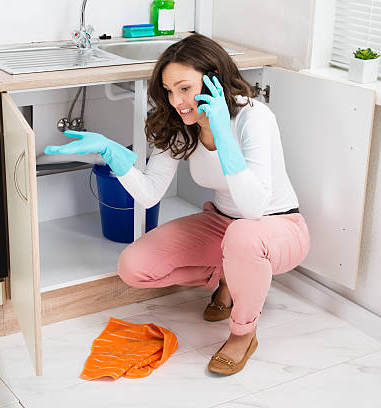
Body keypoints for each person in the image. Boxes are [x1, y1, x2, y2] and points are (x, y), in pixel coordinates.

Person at [44, 33, 310, 375]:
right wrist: (112, 154)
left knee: (244, 236)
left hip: (277, 227)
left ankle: (243, 333)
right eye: (169, 91)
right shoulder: (181, 125)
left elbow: (254, 209)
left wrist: (223, 137)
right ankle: (227, 276)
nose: (177, 101)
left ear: (214, 79)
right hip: (223, 224)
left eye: (184, 88)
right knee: (134, 266)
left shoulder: (254, 117)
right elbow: (150, 192)